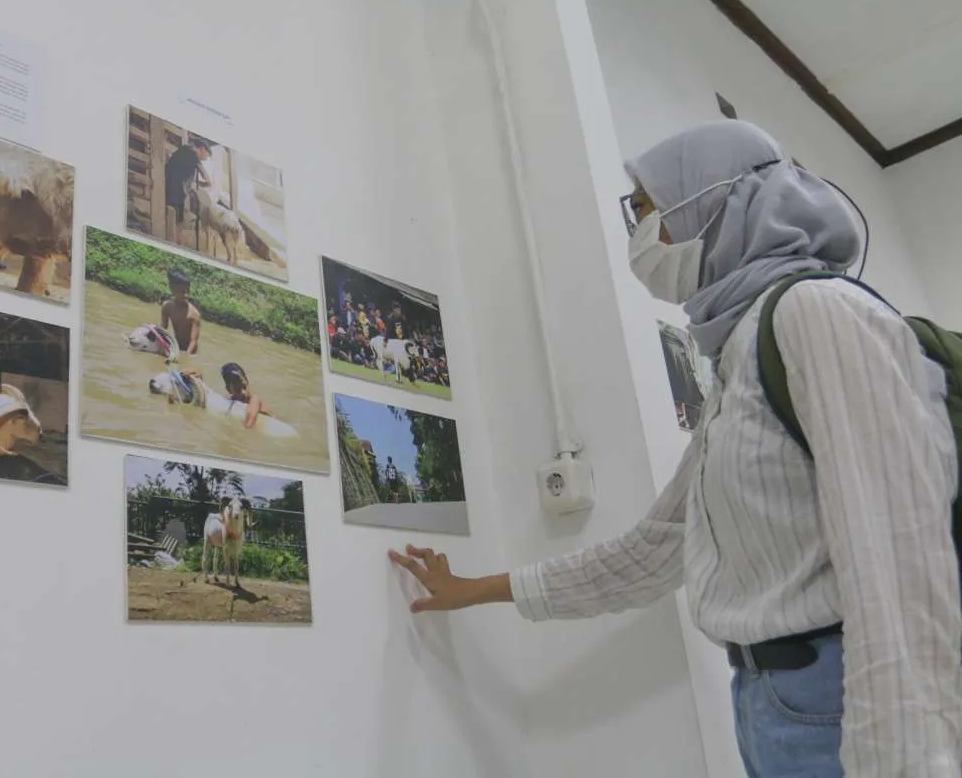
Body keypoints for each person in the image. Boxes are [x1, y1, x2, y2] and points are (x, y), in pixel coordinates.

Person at [388, 120, 962, 777]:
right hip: (770, 703)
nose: (638, 231)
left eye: (644, 206)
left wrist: (907, 761)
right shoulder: (741, 351)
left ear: (711, 202)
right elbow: (654, 550)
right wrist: (473, 589)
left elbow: (899, 561)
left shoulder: (816, 312)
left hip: (840, 699)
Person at [164, 137, 213, 227]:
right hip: (176, 194)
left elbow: (187, 178)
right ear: (202, 149)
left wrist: (203, 184)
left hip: (173, 191)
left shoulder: (184, 153)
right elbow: (205, 175)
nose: (205, 159)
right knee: (175, 223)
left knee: (173, 221)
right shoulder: (191, 153)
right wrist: (209, 181)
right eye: (206, 156)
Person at [159, 268, 201, 356]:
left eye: (188, 291)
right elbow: (163, 329)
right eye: (183, 292)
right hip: (176, 346)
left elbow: (193, 341)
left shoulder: (194, 314)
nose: (186, 295)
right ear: (172, 289)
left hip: (191, 351)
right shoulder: (167, 307)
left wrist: (185, 357)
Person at [220, 362, 271, 429]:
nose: (243, 391)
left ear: (247, 382)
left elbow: (249, 423)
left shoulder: (254, 400)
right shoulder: (232, 398)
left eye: (244, 387)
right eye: (238, 389)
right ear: (228, 390)